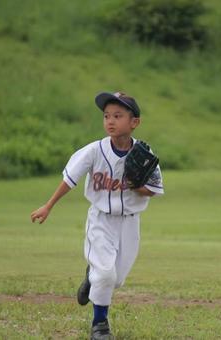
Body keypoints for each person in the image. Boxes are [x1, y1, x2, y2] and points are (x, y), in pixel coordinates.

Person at [30, 91, 164, 340]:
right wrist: (48, 206)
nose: (110, 121)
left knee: (116, 280)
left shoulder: (144, 154)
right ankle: (99, 326)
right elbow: (70, 179)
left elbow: (154, 190)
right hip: (101, 220)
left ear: (134, 122)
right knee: (106, 274)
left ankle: (91, 277)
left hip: (130, 223)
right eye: (106, 116)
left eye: (118, 115)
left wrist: (137, 185)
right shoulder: (94, 151)